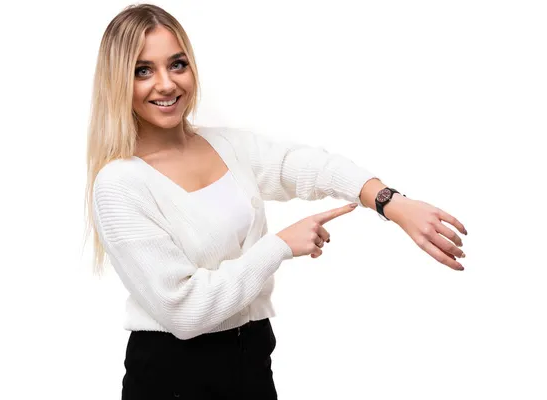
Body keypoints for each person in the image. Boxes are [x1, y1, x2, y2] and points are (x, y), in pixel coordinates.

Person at [84, 3, 468, 399]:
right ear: (117, 82)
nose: (166, 84)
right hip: (172, 377)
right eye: (142, 70)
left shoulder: (226, 146)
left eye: (177, 64)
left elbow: (304, 166)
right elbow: (184, 310)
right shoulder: (119, 184)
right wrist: (280, 245)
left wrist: (390, 202)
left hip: (251, 356)